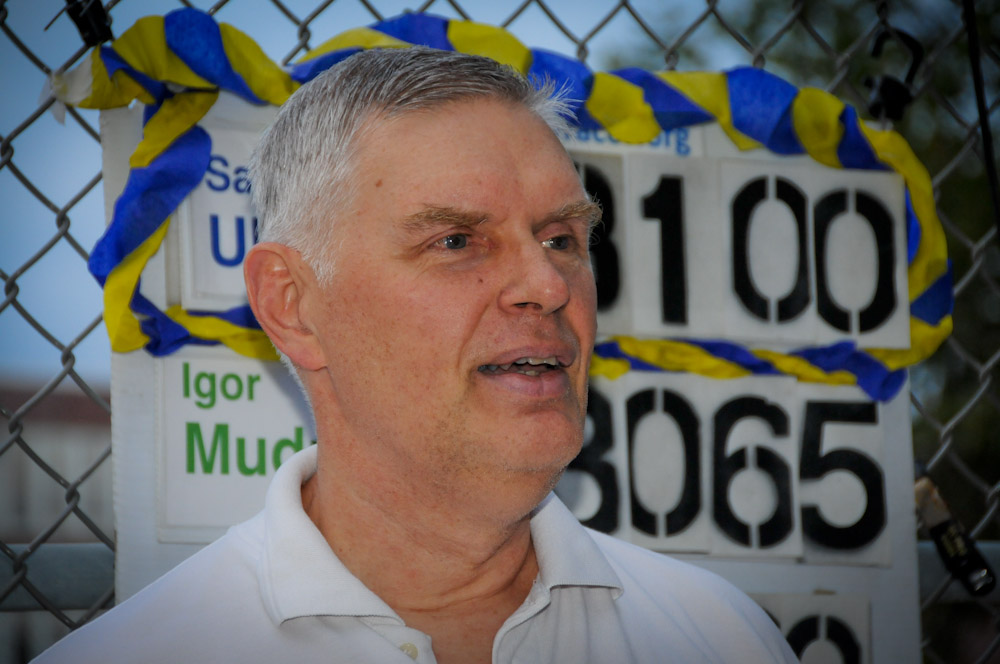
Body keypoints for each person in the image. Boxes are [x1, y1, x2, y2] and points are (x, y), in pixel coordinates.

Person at [34, 47, 797, 663]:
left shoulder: (723, 638)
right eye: (457, 241)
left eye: (563, 239)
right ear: (291, 305)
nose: (548, 285)